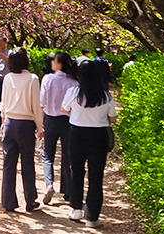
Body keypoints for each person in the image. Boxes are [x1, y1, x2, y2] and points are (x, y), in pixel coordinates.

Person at [62, 60, 118, 228]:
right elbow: (113, 119)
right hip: (98, 136)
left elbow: (64, 109)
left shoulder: (73, 92)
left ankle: (76, 209)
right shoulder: (105, 95)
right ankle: (92, 217)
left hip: (77, 134)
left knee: (76, 170)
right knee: (96, 175)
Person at [0, 49, 43, 213]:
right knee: (27, 162)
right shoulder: (33, 79)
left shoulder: (8, 78)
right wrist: (40, 127)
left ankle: (8, 201)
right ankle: (30, 200)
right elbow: (36, 106)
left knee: (8, 164)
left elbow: (3, 103)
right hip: (26, 124)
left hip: (10, 122)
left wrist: (3, 122)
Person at [39, 52, 78, 204]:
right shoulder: (73, 82)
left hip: (51, 119)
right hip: (68, 121)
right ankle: (68, 190)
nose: (52, 63)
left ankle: (49, 185)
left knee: (48, 155)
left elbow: (42, 101)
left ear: (59, 63)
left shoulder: (48, 79)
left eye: (54, 60)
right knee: (68, 155)